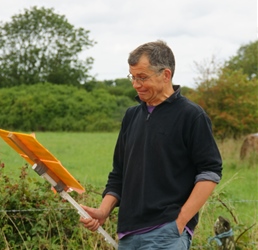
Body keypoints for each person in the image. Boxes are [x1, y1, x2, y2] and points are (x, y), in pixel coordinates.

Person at [80, 40, 222, 249]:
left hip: (167, 234)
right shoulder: (131, 116)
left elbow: (210, 171)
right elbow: (119, 173)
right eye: (133, 77)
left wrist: (180, 222)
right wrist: (103, 212)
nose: (136, 84)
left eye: (142, 77)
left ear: (166, 75)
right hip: (128, 234)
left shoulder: (191, 116)